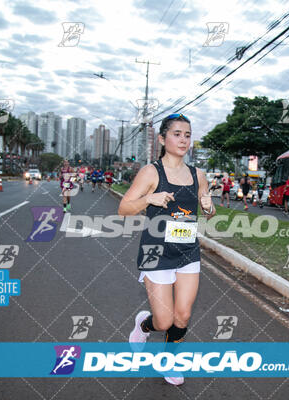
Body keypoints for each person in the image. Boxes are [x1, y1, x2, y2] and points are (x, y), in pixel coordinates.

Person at [118, 113, 215, 386]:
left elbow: (207, 209)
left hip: (187, 252)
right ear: (162, 138)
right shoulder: (152, 172)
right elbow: (124, 208)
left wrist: (208, 207)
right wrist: (150, 197)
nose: (183, 139)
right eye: (177, 134)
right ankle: (143, 325)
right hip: (156, 252)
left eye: (187, 134)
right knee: (163, 321)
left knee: (182, 315)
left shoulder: (199, 175)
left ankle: (170, 361)